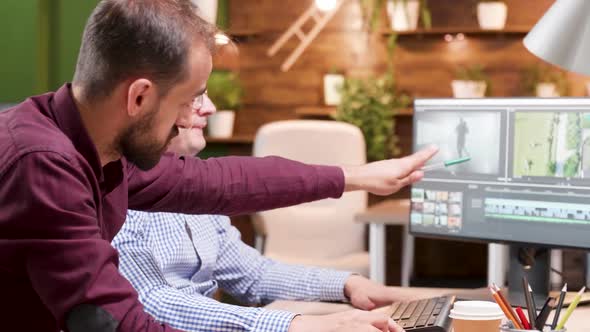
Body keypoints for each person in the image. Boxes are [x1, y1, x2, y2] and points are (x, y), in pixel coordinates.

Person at [0, 1, 437, 331]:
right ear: (138, 98)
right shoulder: (43, 164)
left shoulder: (99, 149)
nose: (196, 113)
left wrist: (354, 177)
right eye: (189, 98)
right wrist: (301, 327)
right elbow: (114, 321)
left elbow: (224, 182)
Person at [113, 95, 408, 332]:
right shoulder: (116, 189)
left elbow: (252, 274)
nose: (211, 109)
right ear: (146, 100)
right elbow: (152, 302)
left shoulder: (197, 190)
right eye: (196, 97)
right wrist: (298, 324)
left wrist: (348, 285)